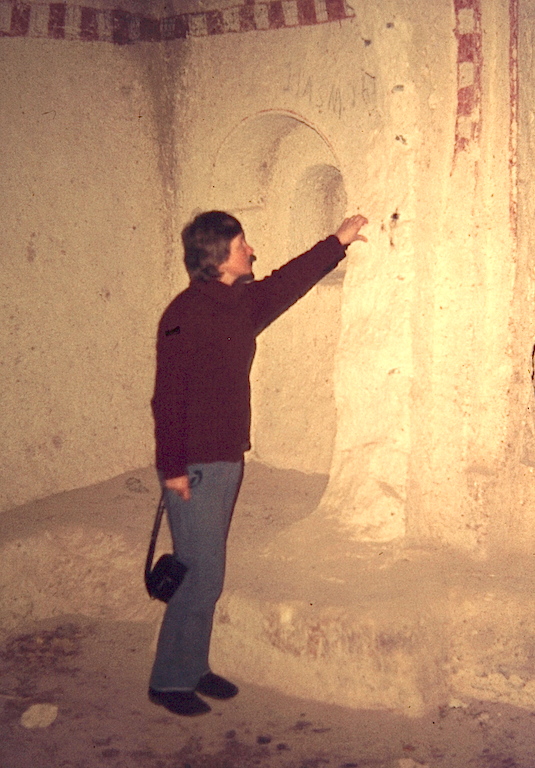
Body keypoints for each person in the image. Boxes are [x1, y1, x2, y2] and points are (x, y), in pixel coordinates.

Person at [149, 210, 368, 716]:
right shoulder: (182, 315)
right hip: (194, 466)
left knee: (208, 569)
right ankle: (170, 679)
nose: (252, 250)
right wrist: (174, 468)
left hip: (225, 459)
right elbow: (167, 398)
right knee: (198, 571)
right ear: (219, 257)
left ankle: (192, 665)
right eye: (243, 244)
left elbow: (288, 281)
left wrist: (338, 240)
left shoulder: (240, 303)